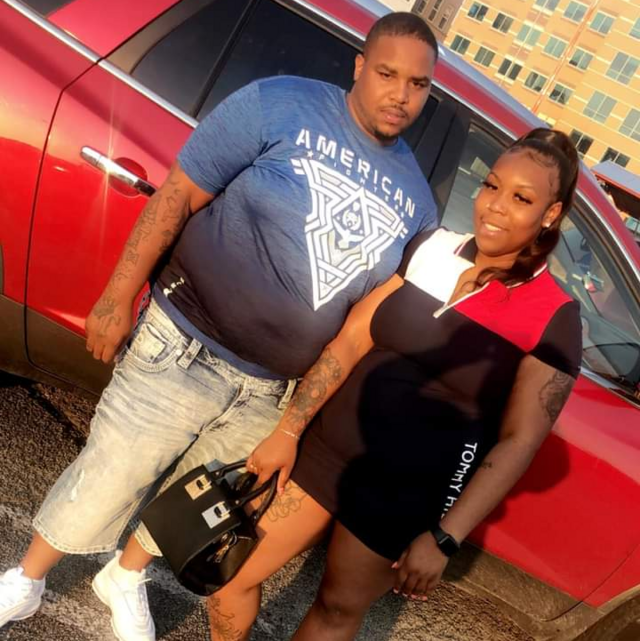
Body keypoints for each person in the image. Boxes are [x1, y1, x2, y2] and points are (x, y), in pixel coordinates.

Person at [0, 12, 439, 641]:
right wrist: (117, 294)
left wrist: (295, 421)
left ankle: (124, 576)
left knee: (195, 500)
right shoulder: (278, 103)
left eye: (418, 84)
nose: (400, 94)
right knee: (109, 476)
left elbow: (362, 323)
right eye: (388, 74)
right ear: (360, 65)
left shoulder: (417, 201)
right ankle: (27, 579)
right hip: (183, 341)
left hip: (272, 389)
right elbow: (178, 194)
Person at [207, 128, 583, 641]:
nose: (495, 206)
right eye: (491, 186)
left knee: (337, 609)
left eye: (521, 199)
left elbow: (519, 441)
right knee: (229, 576)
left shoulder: (554, 315)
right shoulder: (432, 247)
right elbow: (350, 341)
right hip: (324, 452)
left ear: (551, 214)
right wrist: (288, 431)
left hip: (407, 493)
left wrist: (446, 537)